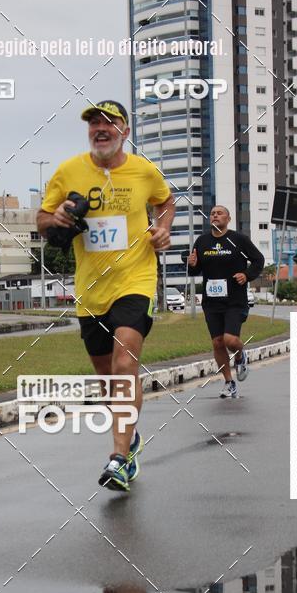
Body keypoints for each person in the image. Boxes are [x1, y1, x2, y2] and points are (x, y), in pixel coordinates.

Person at [37, 100, 175, 491]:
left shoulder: (143, 171)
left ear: (124, 132)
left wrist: (161, 229)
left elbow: (166, 202)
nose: (100, 128)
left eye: (109, 122)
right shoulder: (69, 171)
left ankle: (120, 458)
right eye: (94, 123)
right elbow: (43, 220)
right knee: (107, 379)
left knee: (125, 361)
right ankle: (130, 435)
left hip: (136, 278)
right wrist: (57, 219)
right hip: (91, 289)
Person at [187, 205, 264, 398]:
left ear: (228, 219)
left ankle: (239, 356)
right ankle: (229, 382)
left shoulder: (239, 240)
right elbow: (195, 271)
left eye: (219, 213)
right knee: (217, 342)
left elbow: (258, 260)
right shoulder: (202, 241)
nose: (215, 215)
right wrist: (192, 265)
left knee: (230, 339)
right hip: (211, 301)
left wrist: (247, 275)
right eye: (212, 213)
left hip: (234, 300)